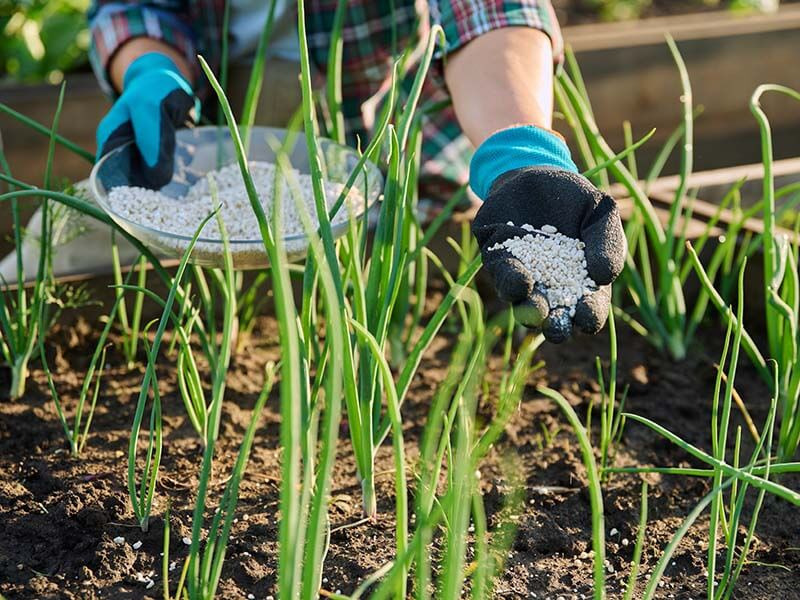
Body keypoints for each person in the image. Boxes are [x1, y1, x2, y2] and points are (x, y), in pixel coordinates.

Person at [7, 0, 626, 342]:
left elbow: (490, 10)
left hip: (381, 142)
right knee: (49, 257)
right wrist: (149, 68)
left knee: (412, 279)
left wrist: (518, 149)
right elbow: (136, 6)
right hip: (205, 153)